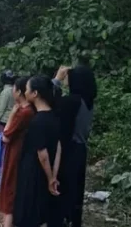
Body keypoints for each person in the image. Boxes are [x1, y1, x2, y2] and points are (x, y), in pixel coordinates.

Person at [51, 65, 97, 227]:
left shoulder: (73, 101)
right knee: (76, 190)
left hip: (68, 149)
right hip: (81, 149)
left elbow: (49, 104)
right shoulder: (87, 101)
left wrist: (57, 79)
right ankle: (73, 221)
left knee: (62, 189)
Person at [13, 75, 62, 227]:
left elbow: (42, 154)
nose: (25, 92)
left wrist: (49, 179)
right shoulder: (54, 116)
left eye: (27, 89)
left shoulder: (37, 121)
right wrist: (53, 174)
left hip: (33, 171)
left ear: (35, 94)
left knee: (27, 213)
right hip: (46, 170)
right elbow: (59, 147)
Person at [0, 76, 35, 227]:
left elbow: (6, 137)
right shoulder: (31, 110)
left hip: (15, 152)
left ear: (19, 91)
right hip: (21, 152)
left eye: (14, 88)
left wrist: (12, 114)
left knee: (10, 188)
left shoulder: (23, 113)